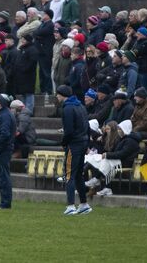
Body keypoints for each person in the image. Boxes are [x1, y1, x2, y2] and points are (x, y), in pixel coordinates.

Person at [56, 85, 92, 215]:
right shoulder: (80, 106)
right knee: (78, 175)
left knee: (69, 175)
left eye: (58, 94)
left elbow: (69, 131)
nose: (57, 96)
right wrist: (87, 143)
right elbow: (87, 127)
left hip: (74, 144)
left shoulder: (67, 108)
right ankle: (84, 204)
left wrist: (64, 143)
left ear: (62, 95)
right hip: (83, 143)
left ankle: (71, 205)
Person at [84, 121, 140, 197]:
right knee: (99, 159)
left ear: (125, 129)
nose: (118, 131)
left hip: (125, 162)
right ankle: (101, 184)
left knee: (107, 160)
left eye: (120, 129)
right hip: (119, 161)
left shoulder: (130, 141)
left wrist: (108, 155)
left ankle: (98, 180)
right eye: (118, 129)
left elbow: (122, 154)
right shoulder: (123, 139)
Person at [33, 9, 56, 97]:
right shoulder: (43, 24)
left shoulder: (50, 25)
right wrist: (38, 35)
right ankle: (42, 89)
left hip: (46, 52)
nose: (42, 15)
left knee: (46, 72)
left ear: (48, 15)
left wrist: (38, 35)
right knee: (41, 73)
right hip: (40, 52)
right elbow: (35, 33)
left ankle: (48, 90)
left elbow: (39, 32)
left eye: (44, 14)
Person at [15, 34, 39, 112]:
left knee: (29, 93)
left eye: (24, 39)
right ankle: (24, 110)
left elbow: (32, 62)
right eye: (22, 39)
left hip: (29, 75)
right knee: (23, 94)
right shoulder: (22, 49)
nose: (22, 41)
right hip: (21, 76)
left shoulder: (32, 49)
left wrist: (24, 69)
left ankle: (29, 111)